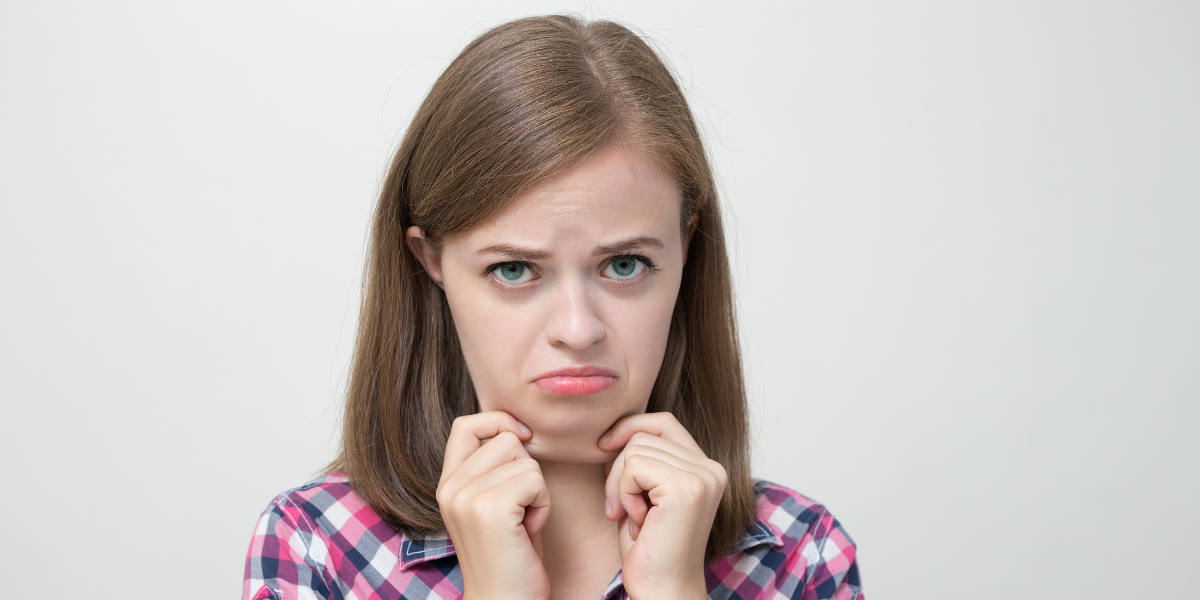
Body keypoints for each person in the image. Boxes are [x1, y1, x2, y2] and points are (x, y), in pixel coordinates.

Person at [242, 14, 863, 600]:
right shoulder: (317, 546)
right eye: (513, 270)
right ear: (430, 260)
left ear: (685, 251)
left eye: (625, 266)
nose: (577, 329)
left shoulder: (800, 554)